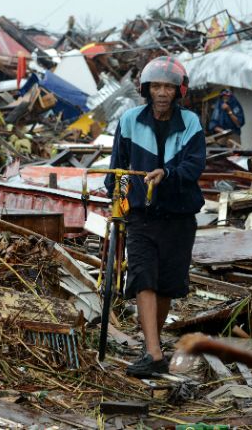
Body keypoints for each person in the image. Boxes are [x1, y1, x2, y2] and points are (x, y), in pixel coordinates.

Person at [105, 56, 206, 378]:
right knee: (143, 278)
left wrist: (168, 173)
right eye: (157, 86)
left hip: (178, 215)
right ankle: (153, 352)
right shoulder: (130, 120)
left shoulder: (190, 123)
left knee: (165, 286)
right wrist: (116, 198)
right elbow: (117, 166)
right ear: (146, 89)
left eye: (169, 87)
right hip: (141, 216)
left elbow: (194, 166)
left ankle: (153, 346)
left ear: (179, 91)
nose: (162, 92)